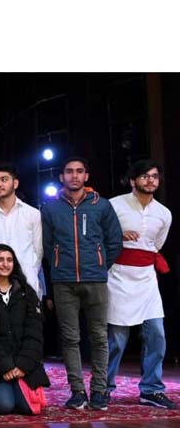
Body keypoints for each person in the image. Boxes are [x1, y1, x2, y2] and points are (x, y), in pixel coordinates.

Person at [42, 156, 123, 410]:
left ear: (86, 176)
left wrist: (99, 265)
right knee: (70, 339)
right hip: (63, 281)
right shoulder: (51, 208)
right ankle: (77, 391)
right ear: (61, 177)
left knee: (99, 337)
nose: (74, 176)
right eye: (69, 172)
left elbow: (114, 242)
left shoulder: (102, 205)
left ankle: (99, 390)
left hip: (95, 280)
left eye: (79, 171)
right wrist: (56, 268)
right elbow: (46, 245)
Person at [106, 160, 176, 409]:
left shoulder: (163, 213)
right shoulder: (114, 205)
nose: (150, 180)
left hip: (147, 278)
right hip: (118, 276)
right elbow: (99, 235)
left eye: (154, 176)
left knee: (157, 334)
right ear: (132, 180)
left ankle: (151, 389)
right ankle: (103, 388)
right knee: (116, 338)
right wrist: (117, 235)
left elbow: (156, 245)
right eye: (145, 176)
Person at [0, 245, 50, 415]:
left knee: (27, 408)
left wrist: (23, 365)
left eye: (9, 260)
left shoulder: (26, 292)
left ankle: (16, 383)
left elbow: (34, 333)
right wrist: (5, 366)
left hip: (23, 363)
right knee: (4, 406)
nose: (5, 264)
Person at [0, 164, 43, 296]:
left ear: (15, 183)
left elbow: (38, 250)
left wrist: (29, 270)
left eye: (4, 179)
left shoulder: (32, 214)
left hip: (27, 282)